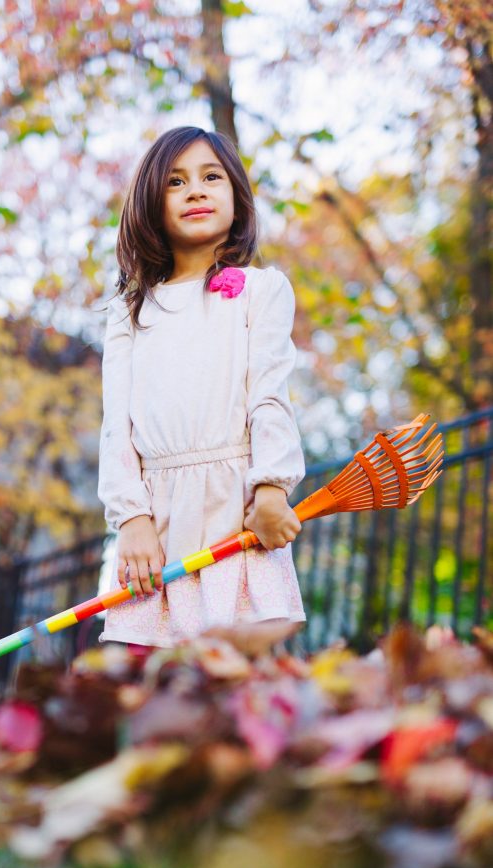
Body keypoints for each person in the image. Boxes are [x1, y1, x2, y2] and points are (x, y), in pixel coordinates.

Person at [96, 125, 306, 652]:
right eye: (175, 181)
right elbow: (115, 426)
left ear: (236, 195)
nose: (196, 190)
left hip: (236, 511)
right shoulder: (129, 311)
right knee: (141, 678)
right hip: (156, 520)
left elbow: (269, 395)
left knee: (238, 681)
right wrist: (133, 520)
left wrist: (273, 488)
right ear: (150, 203)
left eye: (211, 177)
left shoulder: (262, 289)